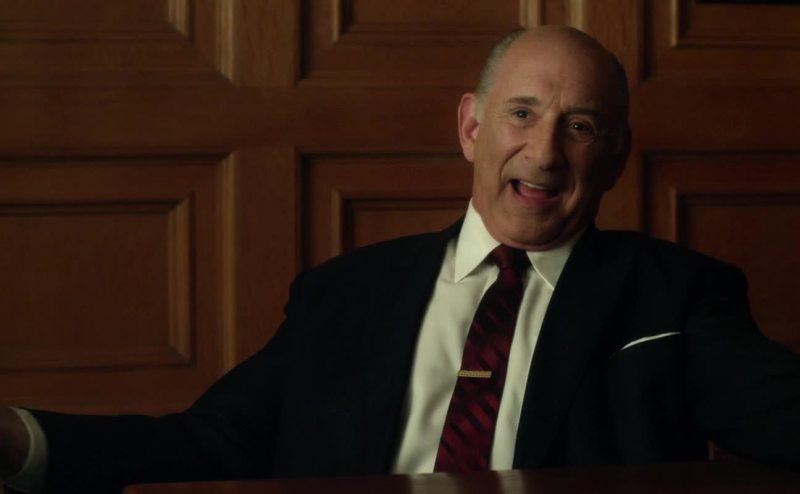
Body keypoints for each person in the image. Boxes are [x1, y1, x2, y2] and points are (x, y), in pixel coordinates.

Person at [2, 25, 800, 494]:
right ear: (472, 128)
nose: (545, 152)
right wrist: (17, 441)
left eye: (581, 126)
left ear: (617, 156)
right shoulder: (342, 295)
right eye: (522, 114)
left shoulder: (674, 296)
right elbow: (208, 443)